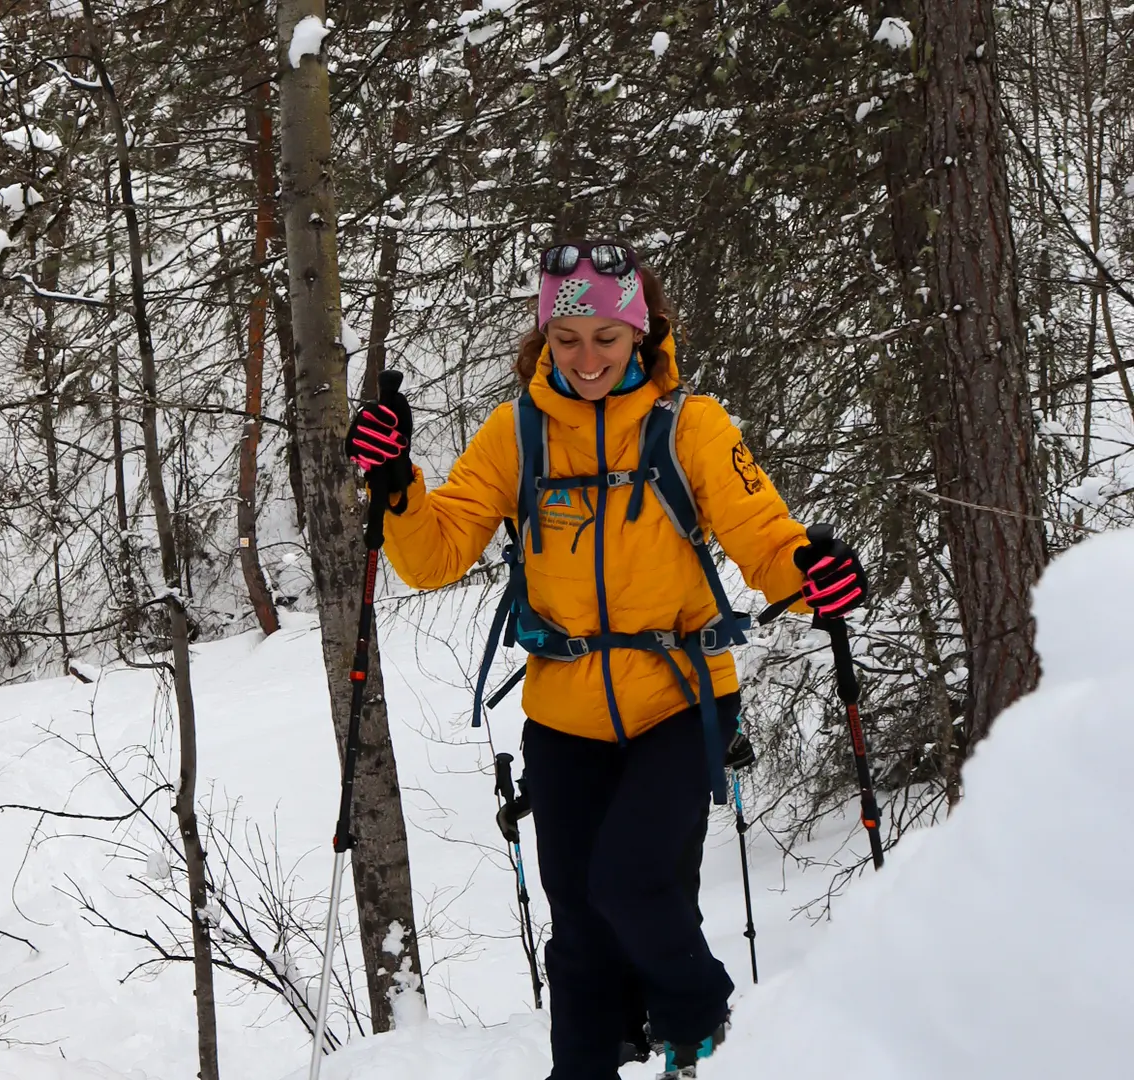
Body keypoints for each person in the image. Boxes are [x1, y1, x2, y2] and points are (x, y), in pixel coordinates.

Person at [344, 240, 868, 1079]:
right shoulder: (516, 432)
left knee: (633, 883)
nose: (586, 359)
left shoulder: (690, 426)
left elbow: (766, 538)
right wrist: (397, 480)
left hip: (680, 699)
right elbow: (435, 555)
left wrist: (813, 574)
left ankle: (701, 1024)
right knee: (581, 931)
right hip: (564, 713)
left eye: (606, 339)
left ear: (640, 334)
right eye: (566, 339)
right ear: (543, 339)